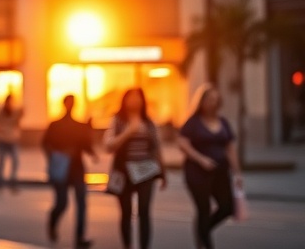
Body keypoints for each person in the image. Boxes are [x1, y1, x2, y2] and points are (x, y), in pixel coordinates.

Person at [177, 84, 242, 249]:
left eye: (216, 99)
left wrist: (237, 173)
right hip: (197, 173)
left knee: (227, 207)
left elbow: (230, 148)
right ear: (202, 101)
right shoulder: (193, 123)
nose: (213, 103)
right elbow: (182, 144)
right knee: (203, 209)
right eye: (209, 99)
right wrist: (201, 159)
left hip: (220, 172)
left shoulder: (223, 122)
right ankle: (206, 243)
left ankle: (203, 230)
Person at [103, 88, 167, 249]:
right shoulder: (117, 120)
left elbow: (157, 147)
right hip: (124, 171)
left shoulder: (149, 122)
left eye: (137, 98)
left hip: (146, 170)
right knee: (126, 212)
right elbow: (108, 146)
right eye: (130, 98)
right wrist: (128, 132)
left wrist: (163, 171)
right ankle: (128, 244)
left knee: (144, 212)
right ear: (124, 100)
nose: (134, 101)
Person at [43, 95, 97, 249]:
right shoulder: (55, 125)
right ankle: (53, 221)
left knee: (81, 203)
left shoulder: (79, 126)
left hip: (77, 168)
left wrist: (89, 132)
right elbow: (46, 144)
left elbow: (86, 144)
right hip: (61, 170)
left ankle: (79, 238)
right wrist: (55, 160)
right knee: (62, 203)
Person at [0, 94, 23, 191]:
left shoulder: (14, 112)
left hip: (13, 140)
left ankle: (13, 181)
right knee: (1, 162)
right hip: (3, 140)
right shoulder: (1, 112)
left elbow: (17, 122)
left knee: (15, 161)